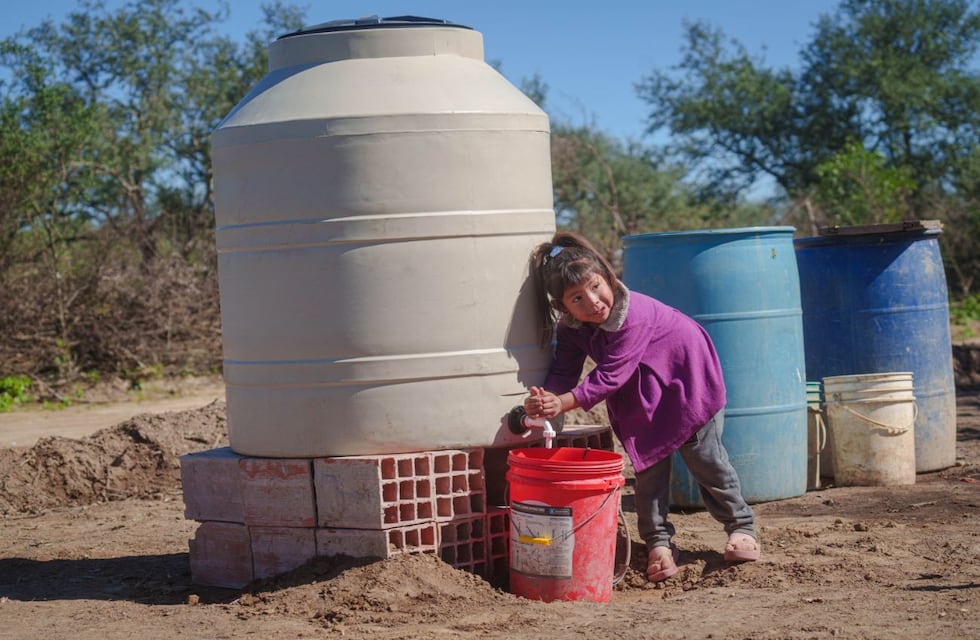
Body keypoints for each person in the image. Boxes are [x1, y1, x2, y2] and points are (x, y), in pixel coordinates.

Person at [522, 231, 760, 582]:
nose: (593, 302)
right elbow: (564, 371)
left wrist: (564, 402)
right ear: (563, 308)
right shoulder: (573, 329)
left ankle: (741, 527)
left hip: (685, 383)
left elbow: (609, 376)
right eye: (577, 298)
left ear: (608, 276)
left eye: (595, 286)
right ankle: (659, 544)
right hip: (640, 391)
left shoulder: (633, 314)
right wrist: (547, 400)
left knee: (706, 461)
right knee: (647, 470)